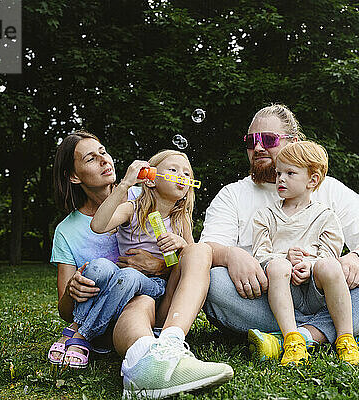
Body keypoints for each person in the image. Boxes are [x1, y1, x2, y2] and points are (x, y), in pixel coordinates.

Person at [201, 104, 359, 362]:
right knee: (213, 283)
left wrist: (356, 258)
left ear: (293, 142)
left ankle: (294, 338)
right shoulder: (232, 195)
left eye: (268, 139)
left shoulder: (329, 189)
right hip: (263, 296)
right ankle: (345, 332)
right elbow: (208, 249)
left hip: (325, 291)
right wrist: (230, 255)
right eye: (251, 141)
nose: (258, 147)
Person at [48, 131, 233, 398]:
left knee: (197, 251)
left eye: (103, 151)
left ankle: (169, 343)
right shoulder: (128, 204)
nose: (103, 160)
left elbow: (186, 264)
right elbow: (65, 307)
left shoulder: (152, 198)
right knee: (131, 289)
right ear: (74, 176)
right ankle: (142, 360)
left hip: (160, 299)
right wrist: (72, 289)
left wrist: (164, 262)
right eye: (91, 158)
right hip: (125, 306)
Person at [250, 140, 359, 366]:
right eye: (279, 172)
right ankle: (293, 340)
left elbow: (330, 255)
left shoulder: (326, 216)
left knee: (331, 266)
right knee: (278, 266)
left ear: (312, 180)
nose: (280, 178)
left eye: (290, 173)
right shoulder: (264, 216)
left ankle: (346, 340)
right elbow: (260, 255)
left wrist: (310, 265)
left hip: (317, 292)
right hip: (283, 290)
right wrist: (284, 259)